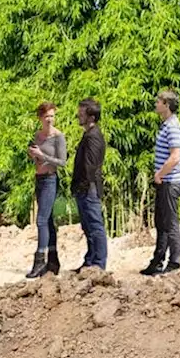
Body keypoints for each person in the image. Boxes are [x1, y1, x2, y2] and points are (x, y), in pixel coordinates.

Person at [142, 90, 180, 276]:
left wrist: (160, 173)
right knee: (161, 221)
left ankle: (175, 261)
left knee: (170, 222)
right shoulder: (165, 125)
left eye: (159, 101)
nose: (156, 103)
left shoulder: (173, 126)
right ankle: (158, 259)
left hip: (170, 180)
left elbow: (175, 156)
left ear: (167, 105)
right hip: (164, 180)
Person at [27, 102, 68, 279]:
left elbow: (62, 162)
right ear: (40, 118)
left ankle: (40, 260)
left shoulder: (59, 137)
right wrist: (33, 155)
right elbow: (36, 158)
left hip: (51, 179)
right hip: (39, 179)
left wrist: (44, 156)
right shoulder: (37, 136)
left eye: (52, 116)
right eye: (47, 116)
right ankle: (53, 260)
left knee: (41, 220)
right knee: (48, 220)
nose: (50, 119)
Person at [70, 98, 108, 271]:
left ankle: (98, 264)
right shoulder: (89, 135)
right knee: (88, 226)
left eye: (82, 112)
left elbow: (91, 166)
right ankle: (90, 260)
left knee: (95, 225)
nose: (79, 114)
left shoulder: (94, 137)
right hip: (85, 187)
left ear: (91, 116)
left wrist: (83, 185)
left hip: (89, 187)